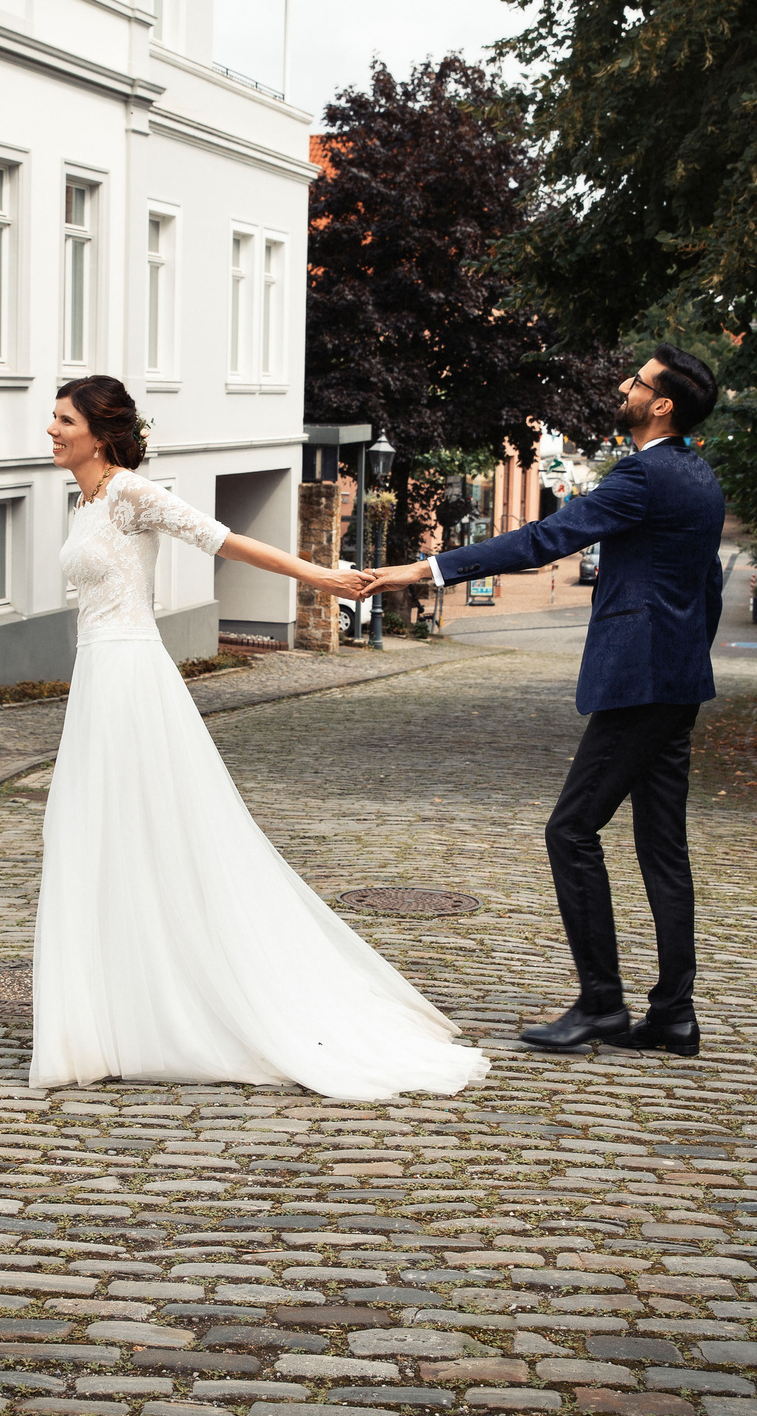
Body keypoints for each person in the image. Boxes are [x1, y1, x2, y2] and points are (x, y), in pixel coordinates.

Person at [31, 375, 490, 1100]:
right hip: (96, 678)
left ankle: (175, 1006)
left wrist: (323, 576)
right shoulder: (83, 500)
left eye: (63, 419)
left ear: (101, 429)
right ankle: (109, 1013)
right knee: (90, 833)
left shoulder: (128, 492)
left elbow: (228, 541)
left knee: (151, 832)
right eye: (52, 418)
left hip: (130, 679)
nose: (51, 430)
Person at [362, 348, 725, 1056]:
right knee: (663, 848)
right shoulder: (701, 477)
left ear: (662, 406)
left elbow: (545, 538)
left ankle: (601, 1003)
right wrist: (684, 662)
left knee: (571, 830)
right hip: (677, 683)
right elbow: (706, 587)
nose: (624, 386)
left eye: (638, 382)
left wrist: (427, 568)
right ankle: (674, 1014)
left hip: (640, 684)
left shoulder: (644, 476)